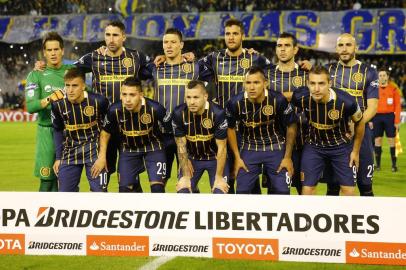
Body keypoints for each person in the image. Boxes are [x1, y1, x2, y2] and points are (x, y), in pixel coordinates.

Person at [291, 66, 365, 196]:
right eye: (312, 83)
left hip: (340, 147)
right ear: (307, 84)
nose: (317, 88)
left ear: (329, 84)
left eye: (321, 83)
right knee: (307, 189)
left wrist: (355, 151)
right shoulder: (300, 97)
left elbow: (360, 122)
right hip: (313, 146)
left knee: (348, 191)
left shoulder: (346, 101)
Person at [141, 28, 201, 184]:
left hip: (188, 134)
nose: (169, 46)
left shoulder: (195, 67)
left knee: (188, 182)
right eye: (165, 42)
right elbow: (130, 66)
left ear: (181, 45)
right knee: (159, 183)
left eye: (173, 42)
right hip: (161, 135)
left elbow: (217, 64)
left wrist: (195, 55)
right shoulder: (155, 68)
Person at [226, 66, 297, 194]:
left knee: (282, 192)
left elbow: (291, 125)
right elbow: (230, 128)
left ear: (265, 83)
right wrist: (237, 158)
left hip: (275, 147)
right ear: (244, 84)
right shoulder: (235, 102)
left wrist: (287, 157)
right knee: (242, 191)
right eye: (248, 83)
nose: (252, 87)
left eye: (256, 82)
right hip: (249, 148)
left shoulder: (278, 99)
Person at [92, 77, 169, 193]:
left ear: (141, 95)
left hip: (153, 147)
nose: (127, 99)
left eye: (132, 95)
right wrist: (102, 157)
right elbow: (105, 133)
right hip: (128, 149)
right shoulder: (114, 110)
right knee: (124, 190)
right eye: (124, 94)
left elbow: (173, 132)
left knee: (157, 188)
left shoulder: (156, 108)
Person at [325, 33, 378, 196]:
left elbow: (373, 107)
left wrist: (357, 124)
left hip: (361, 135)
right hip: (334, 134)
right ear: (336, 49)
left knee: (365, 186)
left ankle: (368, 220)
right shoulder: (328, 70)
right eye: (341, 45)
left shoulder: (369, 71)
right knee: (333, 186)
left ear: (356, 47)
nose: (344, 49)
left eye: (348, 45)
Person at [25, 32, 72, 192]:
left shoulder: (72, 72)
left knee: (66, 182)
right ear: (44, 53)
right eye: (49, 50)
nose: (53, 53)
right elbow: (30, 107)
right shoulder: (35, 75)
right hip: (47, 132)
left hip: (70, 132)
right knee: (46, 180)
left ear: (62, 50)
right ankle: (42, 215)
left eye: (56, 49)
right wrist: (50, 99)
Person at [52, 68, 109, 192]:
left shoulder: (99, 101)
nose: (70, 90)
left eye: (75, 86)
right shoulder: (58, 104)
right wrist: (58, 157)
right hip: (70, 152)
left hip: (94, 151)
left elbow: (108, 129)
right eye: (67, 86)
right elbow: (57, 130)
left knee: (100, 193)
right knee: (65, 194)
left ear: (83, 86)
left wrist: (103, 156)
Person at [267, 32, 308, 195]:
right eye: (279, 46)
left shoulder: (306, 74)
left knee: (305, 191)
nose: (282, 49)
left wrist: (281, 96)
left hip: (304, 142)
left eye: (287, 46)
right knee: (276, 192)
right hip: (275, 144)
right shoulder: (267, 75)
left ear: (295, 49)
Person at [172, 80, 229, 194]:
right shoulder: (179, 113)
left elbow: (222, 147)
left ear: (205, 96)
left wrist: (218, 177)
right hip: (193, 159)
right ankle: (194, 190)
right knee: (183, 190)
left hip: (215, 159)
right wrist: (185, 171)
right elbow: (181, 144)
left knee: (220, 191)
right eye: (188, 97)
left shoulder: (218, 113)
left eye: (196, 97)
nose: (192, 102)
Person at [372, 69, 401, 172]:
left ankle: (394, 165)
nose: (382, 77)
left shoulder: (394, 89)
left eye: (384, 75)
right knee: (377, 141)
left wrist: (397, 121)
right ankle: (378, 165)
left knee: (391, 141)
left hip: (389, 117)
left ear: (387, 77)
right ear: (378, 77)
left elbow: (398, 106)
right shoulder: (373, 89)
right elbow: (370, 105)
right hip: (377, 117)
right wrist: (370, 119)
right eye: (380, 75)